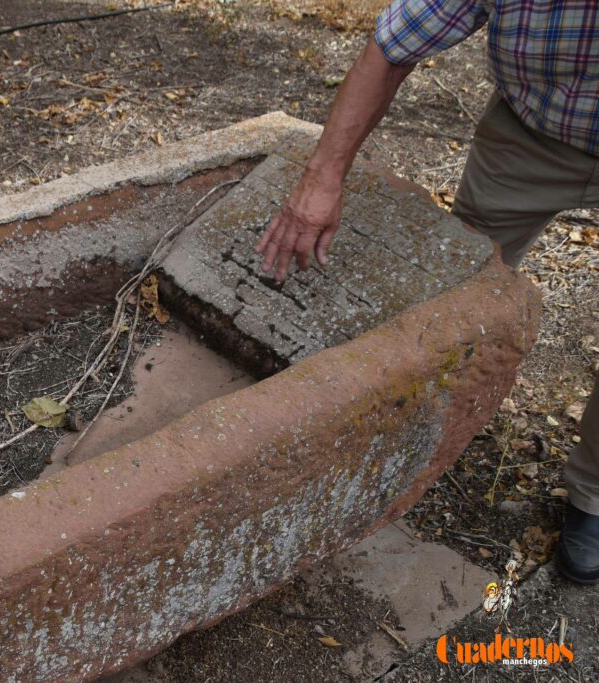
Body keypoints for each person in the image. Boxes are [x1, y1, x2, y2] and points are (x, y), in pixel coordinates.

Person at [256, 0, 599, 585]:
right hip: (533, 132)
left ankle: (593, 497)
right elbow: (393, 45)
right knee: (455, 292)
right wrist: (322, 176)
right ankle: (407, 442)